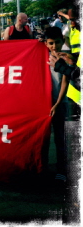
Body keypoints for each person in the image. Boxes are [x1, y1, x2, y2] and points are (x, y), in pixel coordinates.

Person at [44, 27, 69, 183]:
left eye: (57, 43)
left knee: (60, 138)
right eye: (51, 43)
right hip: (44, 104)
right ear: (46, 44)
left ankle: (62, 170)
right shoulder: (41, 56)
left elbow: (65, 83)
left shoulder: (65, 58)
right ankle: (42, 166)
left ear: (63, 42)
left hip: (59, 103)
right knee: (43, 137)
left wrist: (57, 103)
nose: (54, 46)